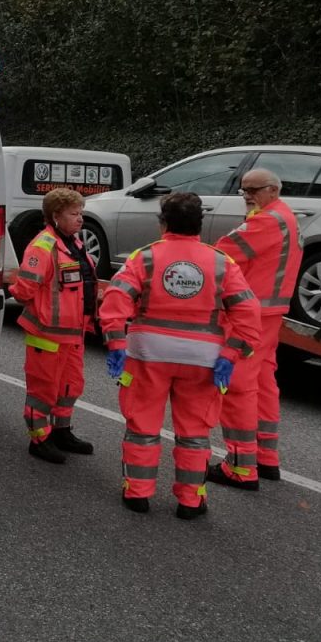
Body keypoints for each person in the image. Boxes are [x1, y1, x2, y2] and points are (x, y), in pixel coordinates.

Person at [99, 192, 261, 519]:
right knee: (194, 433)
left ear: (163, 223)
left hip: (148, 355)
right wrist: (230, 354)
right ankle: (191, 499)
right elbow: (249, 315)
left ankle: (138, 493)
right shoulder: (221, 262)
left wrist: (116, 344)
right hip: (202, 361)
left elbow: (115, 304)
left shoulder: (144, 258)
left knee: (143, 427)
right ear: (200, 224)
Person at [207, 169, 303, 489]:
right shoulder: (283, 216)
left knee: (237, 386)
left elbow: (223, 253)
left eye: (254, 189)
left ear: (273, 190)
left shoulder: (265, 221)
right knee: (262, 383)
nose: (247, 195)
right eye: (243, 190)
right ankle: (266, 458)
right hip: (269, 313)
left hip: (251, 313)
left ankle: (239, 465)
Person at [9, 188, 98, 464]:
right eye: (74, 214)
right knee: (43, 389)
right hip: (47, 333)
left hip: (73, 333)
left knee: (70, 386)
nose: (80, 219)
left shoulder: (74, 243)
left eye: (81, 213)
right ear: (56, 216)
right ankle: (39, 439)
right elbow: (24, 290)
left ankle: (62, 431)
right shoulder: (43, 246)